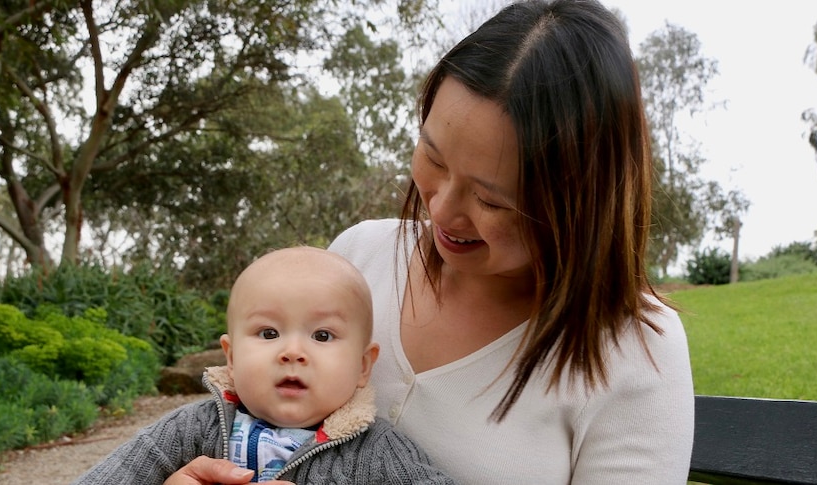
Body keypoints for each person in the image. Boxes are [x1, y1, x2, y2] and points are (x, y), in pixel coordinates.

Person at [163, 0, 695, 483]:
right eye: (434, 158)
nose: (440, 209)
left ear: (583, 203)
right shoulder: (358, 258)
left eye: (492, 200)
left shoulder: (633, 349)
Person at [72, 246, 455, 484]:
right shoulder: (192, 428)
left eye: (322, 336)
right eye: (268, 333)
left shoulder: (377, 451)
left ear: (361, 367)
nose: (291, 352)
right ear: (232, 358)